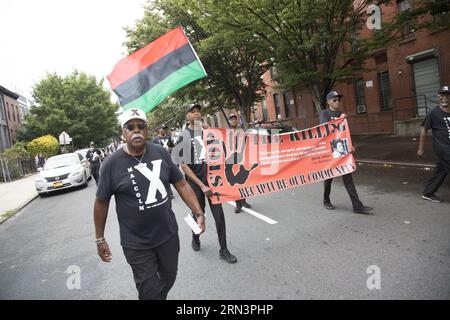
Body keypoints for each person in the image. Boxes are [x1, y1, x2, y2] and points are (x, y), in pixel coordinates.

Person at [93, 108, 205, 300]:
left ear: (147, 130)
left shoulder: (160, 152)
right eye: (130, 127)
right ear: (123, 133)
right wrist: (99, 239)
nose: (136, 130)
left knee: (170, 276)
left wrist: (198, 212)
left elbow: (181, 183)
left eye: (141, 126)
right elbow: (101, 202)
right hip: (136, 243)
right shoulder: (111, 164)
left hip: (167, 234)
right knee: (149, 290)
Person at [175, 103, 237, 264]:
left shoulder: (208, 131)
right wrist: (202, 186)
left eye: (198, 112)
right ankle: (195, 237)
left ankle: (224, 250)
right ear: (187, 116)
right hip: (196, 184)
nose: (196, 114)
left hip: (213, 180)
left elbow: (222, 149)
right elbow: (183, 166)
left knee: (219, 216)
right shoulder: (183, 136)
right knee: (198, 215)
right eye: (192, 112)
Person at [319, 91, 373, 214]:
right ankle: (326, 200)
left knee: (348, 177)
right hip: (330, 150)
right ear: (328, 102)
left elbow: (346, 132)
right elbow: (325, 129)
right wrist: (340, 119)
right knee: (329, 177)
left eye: (338, 100)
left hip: (342, 149)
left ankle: (357, 206)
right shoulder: (325, 113)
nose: (337, 102)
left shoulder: (341, 114)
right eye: (334, 100)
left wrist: (351, 144)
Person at [417, 85, 450, 203]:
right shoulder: (433, 113)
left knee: (441, 170)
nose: (445, 98)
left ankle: (428, 193)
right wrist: (420, 148)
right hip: (442, 147)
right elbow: (424, 129)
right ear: (438, 97)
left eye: (447, 95)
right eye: (442, 95)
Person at [228, 113, 253, 213]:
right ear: (229, 121)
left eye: (235, 119)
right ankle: (238, 204)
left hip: (242, 158)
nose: (234, 120)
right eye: (231, 119)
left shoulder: (241, 131)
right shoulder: (225, 132)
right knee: (236, 183)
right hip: (232, 160)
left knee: (244, 181)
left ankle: (244, 201)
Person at [153, 125, 176, 199]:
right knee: (165, 176)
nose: (164, 130)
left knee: (172, 175)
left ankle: (171, 191)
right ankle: (169, 192)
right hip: (161, 160)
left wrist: (171, 149)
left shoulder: (168, 137)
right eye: (163, 129)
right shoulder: (155, 139)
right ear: (159, 130)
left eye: (165, 129)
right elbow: (154, 151)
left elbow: (173, 147)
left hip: (170, 159)